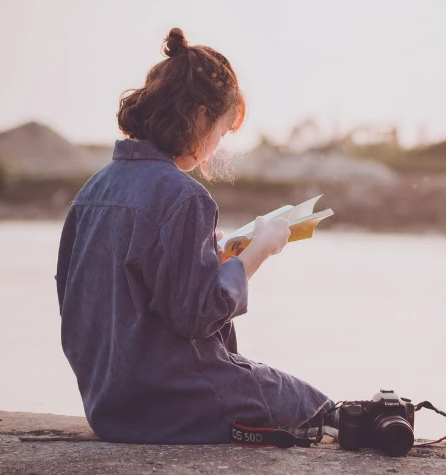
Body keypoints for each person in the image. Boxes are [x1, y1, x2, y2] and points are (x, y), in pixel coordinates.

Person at [55, 28, 331, 444]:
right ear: (200, 117)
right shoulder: (185, 196)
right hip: (171, 402)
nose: (218, 145)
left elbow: (77, 298)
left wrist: (215, 258)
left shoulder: (92, 191)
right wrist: (259, 251)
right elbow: (198, 314)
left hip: (107, 404)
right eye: (222, 130)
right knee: (314, 406)